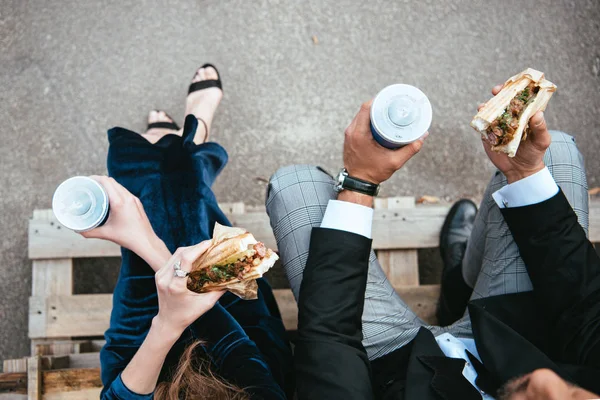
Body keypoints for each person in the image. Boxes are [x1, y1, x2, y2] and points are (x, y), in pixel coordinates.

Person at [266, 83, 600, 399]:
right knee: (556, 153)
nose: (545, 380)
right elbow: (587, 306)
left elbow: (329, 341)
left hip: (391, 374)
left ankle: (459, 283)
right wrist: (526, 173)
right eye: (574, 395)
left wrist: (360, 183)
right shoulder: (544, 375)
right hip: (521, 336)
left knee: (296, 185)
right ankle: (458, 287)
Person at [80, 64, 294, 399]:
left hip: (142, 357)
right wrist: (146, 242)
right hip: (242, 343)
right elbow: (241, 355)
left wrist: (147, 246)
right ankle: (186, 140)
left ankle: (185, 143)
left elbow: (118, 395)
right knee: (187, 219)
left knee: (169, 212)